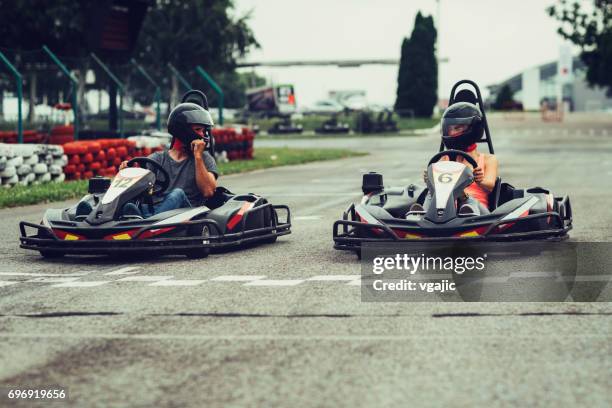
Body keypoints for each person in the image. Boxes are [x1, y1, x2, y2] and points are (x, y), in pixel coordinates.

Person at [76, 102, 218, 219]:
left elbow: (208, 191)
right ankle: (91, 216)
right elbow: (139, 184)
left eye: (204, 131)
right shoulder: (157, 158)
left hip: (185, 214)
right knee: (129, 203)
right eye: (199, 129)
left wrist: (198, 157)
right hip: (151, 211)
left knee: (177, 193)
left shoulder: (205, 159)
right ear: (183, 130)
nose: (203, 135)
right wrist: (126, 174)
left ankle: (143, 223)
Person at [424, 102, 498, 214]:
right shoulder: (445, 158)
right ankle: (421, 214)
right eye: (449, 128)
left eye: (457, 128)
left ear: (473, 128)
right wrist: (429, 179)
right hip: (447, 210)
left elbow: (490, 186)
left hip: (478, 213)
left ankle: (467, 208)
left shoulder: (489, 159)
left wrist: (480, 180)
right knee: (433, 192)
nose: (451, 132)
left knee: (467, 201)